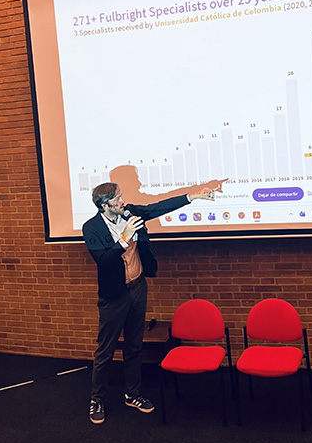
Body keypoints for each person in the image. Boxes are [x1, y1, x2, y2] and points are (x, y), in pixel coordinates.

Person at [83, 181, 217, 424]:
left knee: (134, 346)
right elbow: (103, 261)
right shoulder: (91, 228)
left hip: (137, 287)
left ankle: (132, 394)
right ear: (104, 206)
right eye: (117, 199)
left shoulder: (130, 213)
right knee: (106, 350)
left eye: (121, 196)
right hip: (114, 296)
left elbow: (158, 208)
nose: (122, 201)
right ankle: (97, 399)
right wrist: (124, 238)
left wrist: (193, 197)